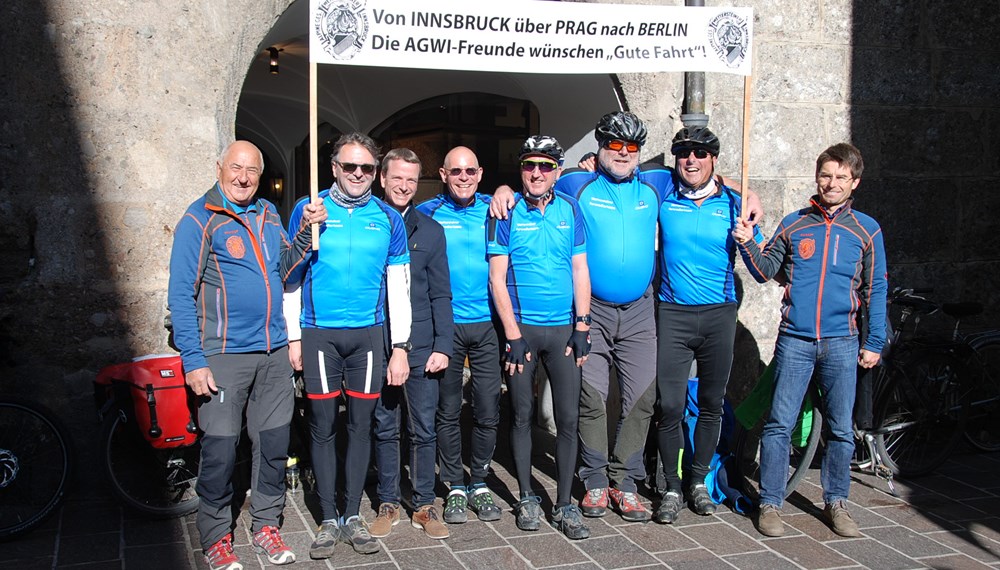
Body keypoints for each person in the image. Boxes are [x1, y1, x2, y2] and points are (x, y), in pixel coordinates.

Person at [168, 140, 327, 570]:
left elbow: (287, 267)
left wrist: (309, 233)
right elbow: (180, 296)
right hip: (222, 356)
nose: (243, 178)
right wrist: (194, 360)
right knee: (220, 452)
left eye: (252, 171)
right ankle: (217, 537)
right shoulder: (199, 220)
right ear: (220, 168)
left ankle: (266, 525)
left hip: (274, 353)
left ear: (260, 174)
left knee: (273, 445)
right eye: (236, 168)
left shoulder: (267, 213)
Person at [732, 142, 887, 538]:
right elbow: (766, 271)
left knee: (839, 428)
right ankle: (770, 503)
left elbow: (876, 289)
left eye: (840, 177)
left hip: (843, 342)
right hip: (795, 341)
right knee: (780, 424)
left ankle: (837, 502)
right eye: (825, 175)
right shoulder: (795, 223)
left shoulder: (867, 230)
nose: (831, 183)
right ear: (816, 177)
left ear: (855, 182)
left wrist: (875, 341)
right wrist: (748, 241)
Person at [284, 133, 412, 559]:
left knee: (361, 426)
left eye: (367, 168)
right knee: (322, 427)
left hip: (368, 337)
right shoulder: (310, 209)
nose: (358, 174)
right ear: (334, 168)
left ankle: (352, 514)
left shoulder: (387, 217)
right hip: (320, 334)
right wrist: (294, 336)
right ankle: (326, 518)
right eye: (349, 166)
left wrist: (400, 346)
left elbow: (399, 287)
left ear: (375, 173)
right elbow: (289, 277)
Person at [651, 126, 761, 524]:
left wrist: (748, 239)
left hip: (718, 315)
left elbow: (761, 271)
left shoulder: (736, 203)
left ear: (714, 158)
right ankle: (670, 486)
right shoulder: (663, 192)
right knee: (670, 405)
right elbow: (621, 172)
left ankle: (698, 481)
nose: (691, 160)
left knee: (712, 404)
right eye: (683, 153)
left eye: (700, 153)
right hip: (674, 314)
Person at [487, 136, 592, 540]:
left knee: (567, 418)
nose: (537, 173)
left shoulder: (571, 209)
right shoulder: (506, 211)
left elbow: (580, 269)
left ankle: (564, 503)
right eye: (530, 165)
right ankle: (527, 495)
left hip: (563, 329)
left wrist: (583, 325)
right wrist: (512, 336)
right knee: (522, 414)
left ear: (557, 172)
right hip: (523, 330)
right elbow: (497, 278)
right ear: (521, 170)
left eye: (546, 166)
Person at [415, 147, 504, 525]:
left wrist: (505, 189)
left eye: (470, 170)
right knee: (447, 411)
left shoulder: (496, 208)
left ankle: (479, 481)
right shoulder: (426, 214)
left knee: (487, 408)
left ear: (480, 173)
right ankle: (453, 484)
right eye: (456, 171)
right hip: (446, 325)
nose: (463, 177)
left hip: (487, 325)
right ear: (443, 174)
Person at [370, 148, 454, 540]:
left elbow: (441, 295)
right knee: (385, 425)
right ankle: (388, 499)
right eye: (397, 178)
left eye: (411, 179)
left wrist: (443, 345)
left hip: (421, 344)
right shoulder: (368, 224)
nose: (403, 186)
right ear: (382, 179)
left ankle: (423, 503)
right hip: (377, 340)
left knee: (423, 427)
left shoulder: (431, 231)